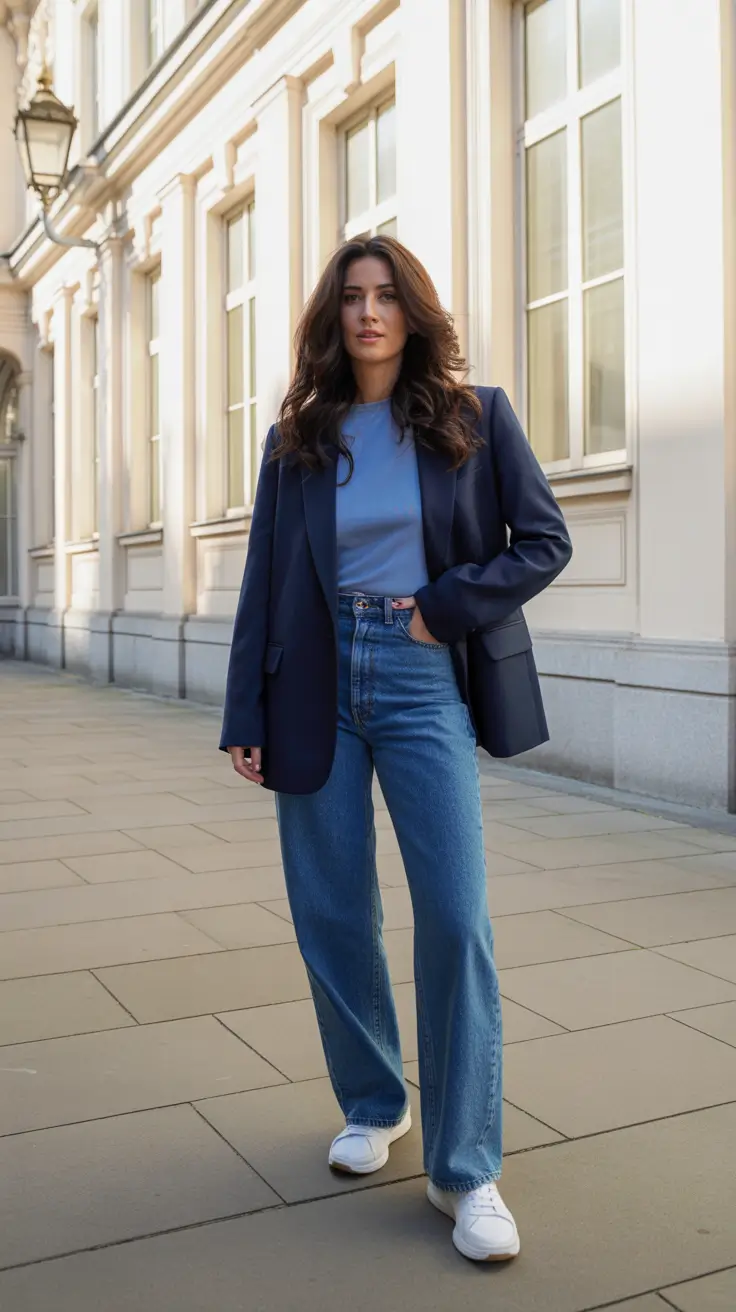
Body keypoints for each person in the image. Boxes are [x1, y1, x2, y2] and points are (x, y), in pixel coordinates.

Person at [221, 236, 572, 1263]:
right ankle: (375, 1103)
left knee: (454, 918)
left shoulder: (474, 417)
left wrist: (442, 610)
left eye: (385, 297)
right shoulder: (299, 434)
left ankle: (467, 1170)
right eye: (351, 299)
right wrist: (245, 710)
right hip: (314, 682)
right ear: (331, 318)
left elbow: (541, 540)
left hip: (421, 676)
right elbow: (263, 581)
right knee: (332, 911)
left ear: (412, 312)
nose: (368, 314)